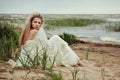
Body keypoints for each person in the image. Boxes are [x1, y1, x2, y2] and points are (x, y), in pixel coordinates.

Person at [11, 12, 84, 67]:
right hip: (35, 55)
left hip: (30, 55)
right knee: (56, 38)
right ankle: (76, 60)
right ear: (31, 22)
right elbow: (45, 44)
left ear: (41, 24)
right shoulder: (34, 31)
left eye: (39, 23)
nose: (37, 24)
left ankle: (74, 60)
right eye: (35, 22)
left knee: (56, 41)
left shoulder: (26, 31)